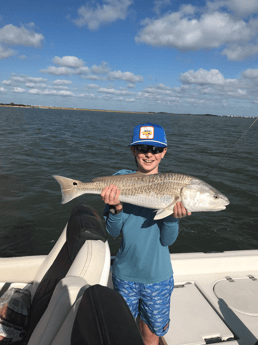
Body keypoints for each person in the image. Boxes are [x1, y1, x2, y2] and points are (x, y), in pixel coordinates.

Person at [101, 122, 191, 345]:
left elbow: (167, 240)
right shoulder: (120, 180)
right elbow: (113, 232)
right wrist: (116, 208)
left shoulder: (175, 186)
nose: (149, 154)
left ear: (164, 152)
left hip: (157, 276)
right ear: (133, 150)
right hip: (124, 274)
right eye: (142, 148)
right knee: (123, 330)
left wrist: (171, 217)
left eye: (156, 149)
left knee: (151, 332)